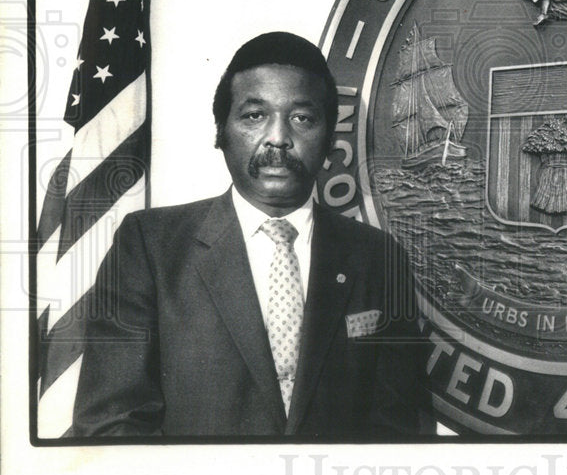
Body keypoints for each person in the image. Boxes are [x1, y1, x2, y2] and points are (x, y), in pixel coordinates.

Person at [72, 32, 432, 438]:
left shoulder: (379, 258)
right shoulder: (149, 248)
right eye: (254, 115)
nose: (278, 138)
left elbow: (403, 435)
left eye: (302, 118)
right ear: (220, 132)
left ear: (331, 138)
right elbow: (110, 426)